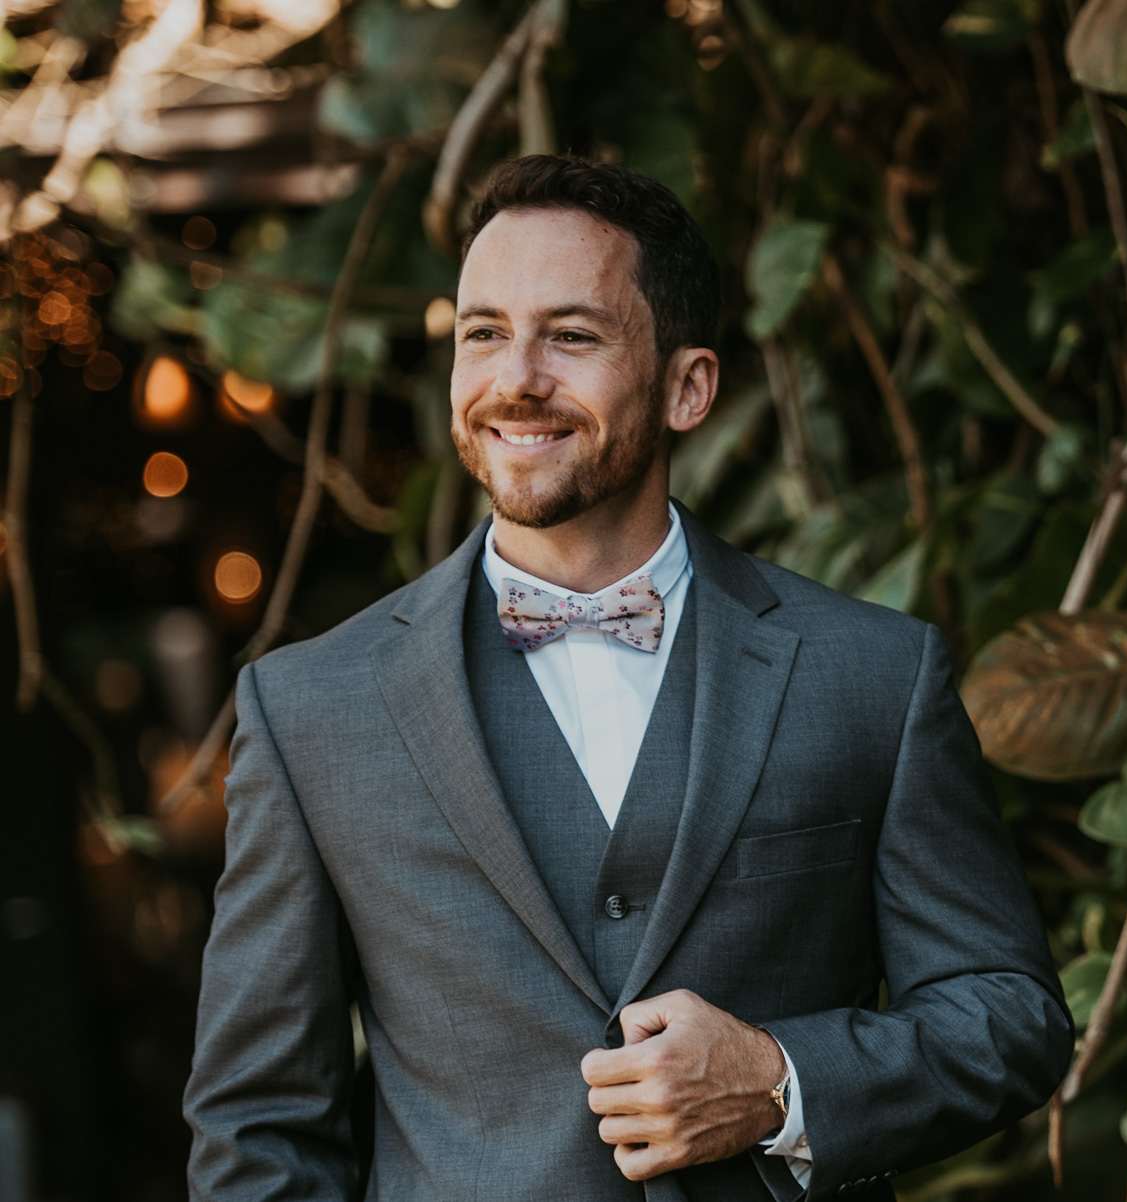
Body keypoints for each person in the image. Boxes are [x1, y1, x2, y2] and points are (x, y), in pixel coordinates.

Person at [182, 155, 1071, 1202]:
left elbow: (1011, 1014)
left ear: (688, 386)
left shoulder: (873, 673)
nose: (515, 376)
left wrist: (782, 1080)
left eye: (572, 334)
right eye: (482, 332)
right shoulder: (310, 708)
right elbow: (259, 1124)